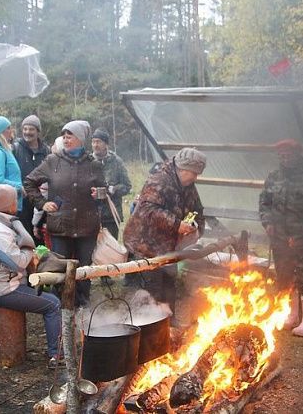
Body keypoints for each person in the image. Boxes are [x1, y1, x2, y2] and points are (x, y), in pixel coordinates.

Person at [0, 182, 63, 369]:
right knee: (53, 305)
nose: (18, 203)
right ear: (8, 205)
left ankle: (57, 349)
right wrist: (29, 250)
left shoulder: (0, 220)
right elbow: (19, 262)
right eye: (15, 200)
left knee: (52, 294)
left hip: (10, 282)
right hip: (2, 290)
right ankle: (57, 356)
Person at [24, 121, 105, 307]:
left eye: (70, 136)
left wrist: (98, 193)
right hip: (60, 225)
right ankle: (60, 306)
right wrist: (42, 204)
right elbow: (29, 182)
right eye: (64, 136)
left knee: (84, 268)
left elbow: (103, 189)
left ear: (81, 139)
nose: (65, 139)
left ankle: (83, 305)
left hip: (87, 225)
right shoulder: (53, 161)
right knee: (58, 267)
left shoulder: (94, 164)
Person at [123, 148, 206, 321]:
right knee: (152, 290)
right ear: (183, 169)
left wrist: (196, 228)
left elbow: (197, 209)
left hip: (168, 247)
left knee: (169, 285)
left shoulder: (187, 185)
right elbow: (147, 210)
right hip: (145, 244)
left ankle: (169, 324)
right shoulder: (159, 180)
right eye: (194, 173)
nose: (195, 178)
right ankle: (149, 328)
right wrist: (176, 225)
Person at [259, 139, 303, 337]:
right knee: (284, 277)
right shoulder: (273, 178)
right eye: (282, 156)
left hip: (302, 238)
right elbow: (264, 203)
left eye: (288, 155)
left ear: (297, 156)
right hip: (279, 238)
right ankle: (290, 315)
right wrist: (268, 222)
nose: (285, 158)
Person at [12, 115, 50, 239]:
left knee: (39, 232)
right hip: (22, 196)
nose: (27, 132)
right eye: (25, 129)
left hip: (40, 196)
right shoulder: (15, 148)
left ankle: (39, 256)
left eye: (31, 129)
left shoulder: (46, 150)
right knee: (23, 230)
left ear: (38, 131)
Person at [91, 128, 132, 239]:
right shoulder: (88, 161)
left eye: (98, 141)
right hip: (91, 214)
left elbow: (127, 186)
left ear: (106, 144)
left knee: (110, 248)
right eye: (93, 142)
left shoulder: (116, 161)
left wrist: (113, 189)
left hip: (111, 215)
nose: (95, 145)